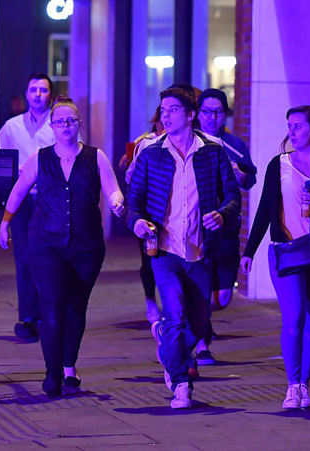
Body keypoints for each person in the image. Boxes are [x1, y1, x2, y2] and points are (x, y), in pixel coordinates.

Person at [0, 96, 124, 397]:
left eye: (71, 121)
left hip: (86, 246)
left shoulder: (96, 157)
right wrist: (5, 223)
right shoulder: (40, 158)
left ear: (79, 124)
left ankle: (69, 365)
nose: (65, 126)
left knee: (76, 307)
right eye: (59, 122)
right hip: (46, 245)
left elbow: (113, 189)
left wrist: (117, 203)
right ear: (52, 127)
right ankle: (52, 373)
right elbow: (18, 191)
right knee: (52, 308)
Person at [125, 87, 241, 408]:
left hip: (201, 251)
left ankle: (168, 341)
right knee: (175, 315)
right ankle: (180, 383)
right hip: (164, 251)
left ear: (191, 115)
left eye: (173, 109)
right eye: (163, 110)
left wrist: (222, 214)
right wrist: (137, 222)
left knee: (199, 325)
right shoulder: (151, 153)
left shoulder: (213, 152)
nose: (165, 115)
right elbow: (134, 202)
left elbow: (233, 196)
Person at [239, 105, 310, 409]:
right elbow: (264, 210)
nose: (292, 131)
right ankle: (291, 386)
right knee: (294, 318)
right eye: (289, 126)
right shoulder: (279, 165)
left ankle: (304, 384)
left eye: (299, 126)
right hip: (287, 250)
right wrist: (249, 251)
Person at [193, 88, 258, 365]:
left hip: (227, 226)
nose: (212, 117)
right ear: (197, 113)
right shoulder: (191, 141)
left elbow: (249, 179)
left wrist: (239, 174)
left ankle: (198, 316)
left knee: (222, 297)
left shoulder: (233, 144)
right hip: (197, 225)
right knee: (199, 284)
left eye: (218, 112)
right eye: (207, 112)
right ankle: (200, 343)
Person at [0, 73, 57, 342]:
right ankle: (28, 317)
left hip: (51, 200)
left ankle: (49, 315)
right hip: (22, 200)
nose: (38, 95)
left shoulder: (59, 124)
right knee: (24, 258)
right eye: (33, 90)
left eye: (43, 90)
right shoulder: (11, 127)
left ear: (50, 95)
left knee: (51, 257)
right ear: (26, 93)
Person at [119, 106, 165, 324]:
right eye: (163, 116)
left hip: (174, 213)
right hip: (149, 211)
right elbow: (131, 176)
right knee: (149, 259)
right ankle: (150, 300)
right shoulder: (145, 143)